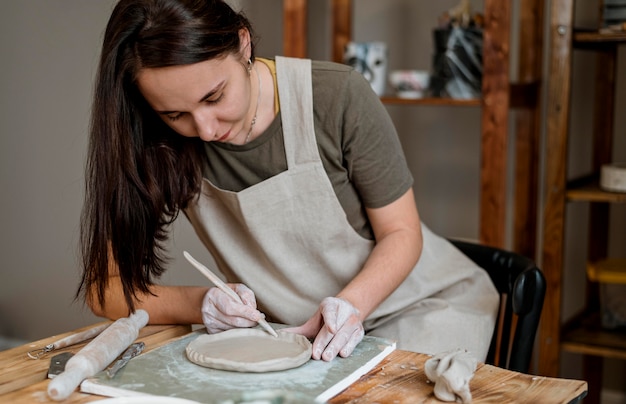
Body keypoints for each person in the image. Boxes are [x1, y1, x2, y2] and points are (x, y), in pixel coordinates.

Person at [79, 0, 499, 363]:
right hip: (293, 332)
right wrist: (202, 301)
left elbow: (403, 233)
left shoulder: (336, 96)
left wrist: (351, 305)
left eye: (214, 97)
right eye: (175, 114)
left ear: (243, 43)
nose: (205, 129)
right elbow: (105, 290)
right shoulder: (153, 138)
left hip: (419, 305)